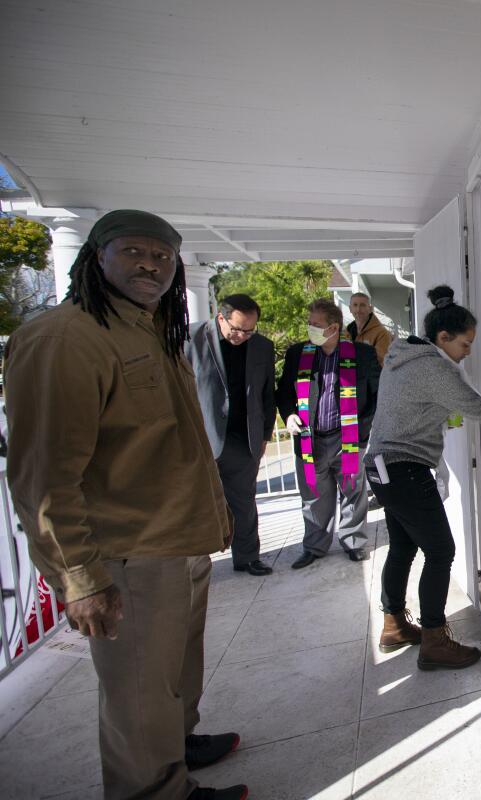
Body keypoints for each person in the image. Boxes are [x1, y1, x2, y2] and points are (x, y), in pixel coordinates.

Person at [4, 210, 246, 799]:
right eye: (134, 251)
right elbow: (44, 473)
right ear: (96, 257)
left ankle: (177, 749)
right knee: (139, 691)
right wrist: (79, 578)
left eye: (162, 257)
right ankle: (155, 789)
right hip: (127, 557)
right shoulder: (67, 336)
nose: (150, 264)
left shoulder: (146, 330)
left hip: (175, 544)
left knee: (173, 676)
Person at [367, 285, 481, 670]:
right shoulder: (431, 367)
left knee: (403, 548)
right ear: (443, 338)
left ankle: (394, 625)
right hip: (403, 468)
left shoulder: (404, 356)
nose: (468, 352)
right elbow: (475, 406)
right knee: (441, 551)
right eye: (465, 344)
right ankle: (434, 640)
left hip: (383, 467)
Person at [276, 298, 380, 568]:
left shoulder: (362, 354)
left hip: (347, 438)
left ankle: (354, 543)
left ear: (333, 327)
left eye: (316, 325)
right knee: (313, 494)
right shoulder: (298, 354)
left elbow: (375, 396)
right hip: (310, 439)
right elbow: (284, 392)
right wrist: (288, 415)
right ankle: (314, 547)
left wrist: (362, 434)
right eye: (309, 323)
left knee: (353, 493)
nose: (311, 328)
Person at [185, 294, 276, 577]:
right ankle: (193, 565)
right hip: (200, 439)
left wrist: (264, 434)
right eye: (237, 329)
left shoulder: (262, 347)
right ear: (220, 317)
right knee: (195, 505)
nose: (243, 336)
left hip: (243, 438)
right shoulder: (190, 339)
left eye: (250, 330)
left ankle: (247, 557)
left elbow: (267, 394)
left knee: (244, 502)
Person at [347, 291, 393, 366]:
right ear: (350, 308)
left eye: (362, 305)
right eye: (355, 305)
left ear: (370, 309)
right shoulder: (346, 332)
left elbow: (381, 364)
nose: (358, 309)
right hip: (347, 376)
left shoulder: (382, 333)